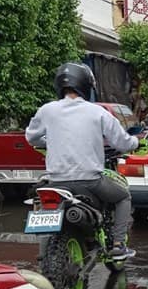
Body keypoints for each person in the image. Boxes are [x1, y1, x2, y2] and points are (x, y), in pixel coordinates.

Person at [25, 62, 140, 260]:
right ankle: (119, 244)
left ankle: (44, 254)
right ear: (86, 85)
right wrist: (136, 142)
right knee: (123, 197)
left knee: (45, 208)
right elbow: (122, 142)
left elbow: (32, 138)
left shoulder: (47, 110)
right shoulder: (98, 112)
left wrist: (50, 142)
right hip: (90, 182)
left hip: (56, 182)